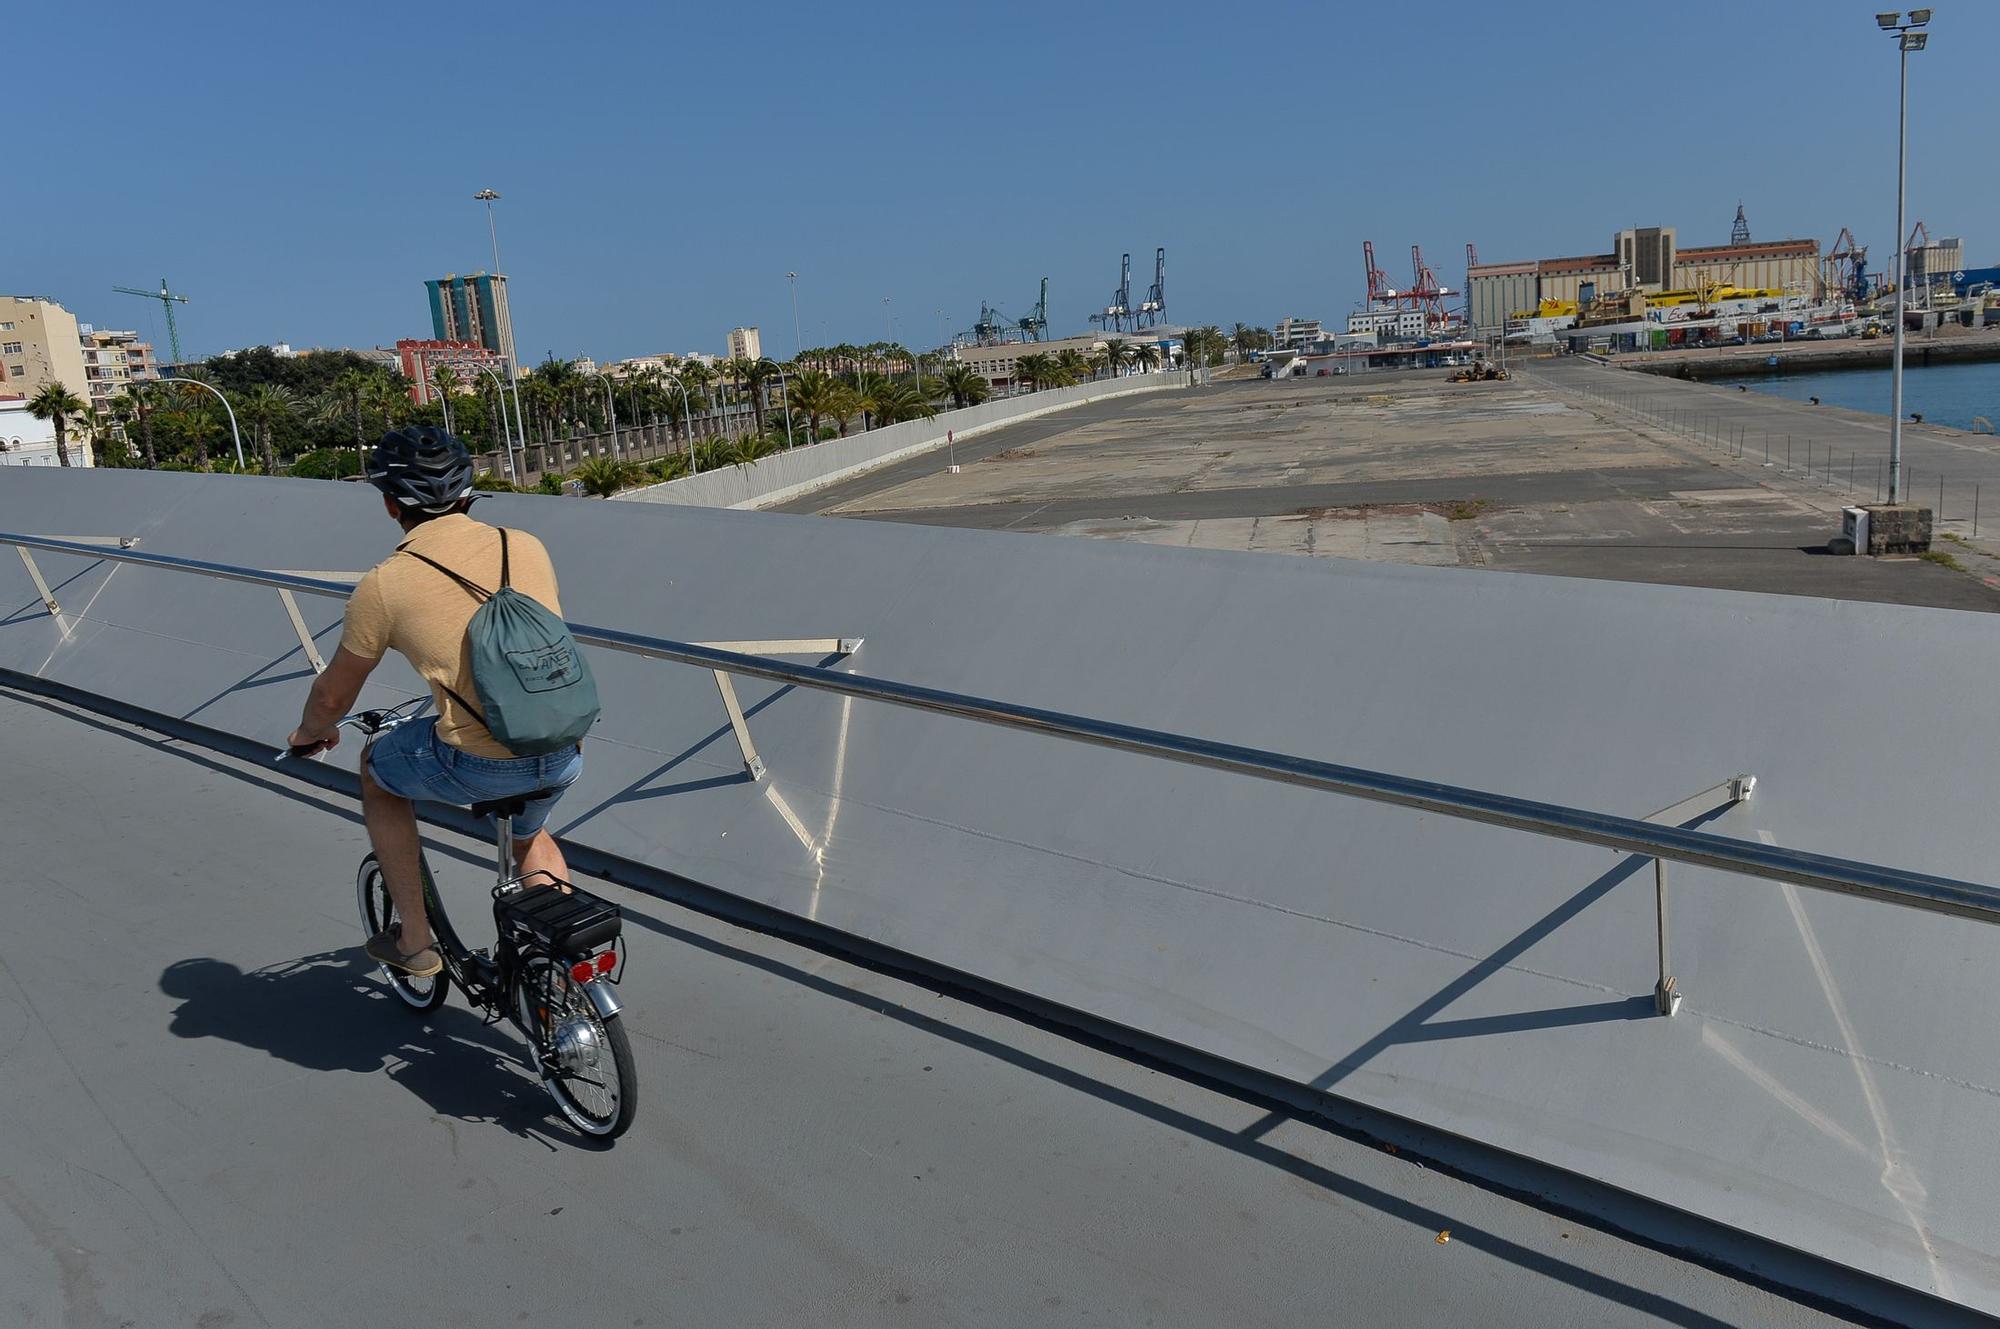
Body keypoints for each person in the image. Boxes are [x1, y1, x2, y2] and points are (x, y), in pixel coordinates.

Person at [288, 426, 584, 976]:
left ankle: (417, 942)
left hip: (479, 762)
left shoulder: (386, 585)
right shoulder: (522, 545)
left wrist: (310, 733)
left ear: (389, 504)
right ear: (469, 494)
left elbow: (333, 695)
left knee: (377, 771)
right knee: (529, 833)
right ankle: (557, 971)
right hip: (563, 746)